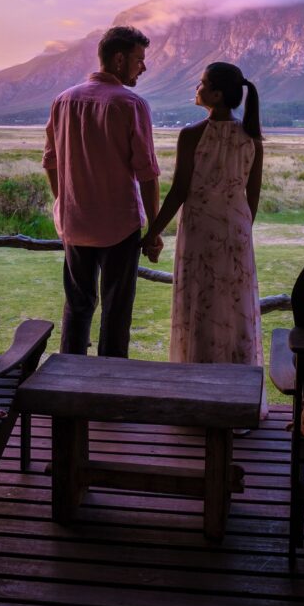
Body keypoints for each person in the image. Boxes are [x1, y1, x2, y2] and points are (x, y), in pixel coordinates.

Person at [141, 62, 267, 416]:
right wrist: (239, 229)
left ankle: (195, 392)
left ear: (217, 94)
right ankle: (237, 396)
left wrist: (153, 231)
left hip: (198, 231)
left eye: (202, 83)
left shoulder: (192, 134)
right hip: (236, 231)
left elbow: (179, 190)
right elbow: (251, 196)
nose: (196, 87)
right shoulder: (251, 138)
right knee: (234, 307)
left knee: (199, 304)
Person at [43, 25, 163, 358]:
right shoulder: (131, 104)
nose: (144, 67)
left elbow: (51, 163)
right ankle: (109, 383)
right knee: (116, 310)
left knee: (77, 306)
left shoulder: (63, 101)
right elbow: (148, 175)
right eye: (139, 60)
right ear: (120, 59)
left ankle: (69, 381)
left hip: (74, 224)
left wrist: (63, 203)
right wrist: (154, 230)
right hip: (119, 226)